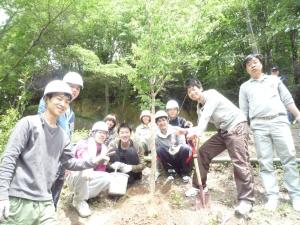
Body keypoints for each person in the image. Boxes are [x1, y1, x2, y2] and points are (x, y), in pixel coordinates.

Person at [0, 80, 108, 225]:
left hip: (45, 201)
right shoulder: (28, 124)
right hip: (20, 199)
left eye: (66, 101)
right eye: (58, 98)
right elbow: (9, 158)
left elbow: (68, 162)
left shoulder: (63, 135)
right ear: (46, 99)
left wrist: (93, 161)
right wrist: (2, 196)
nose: (63, 104)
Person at [180, 78, 255, 216]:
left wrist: (196, 131)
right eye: (189, 91)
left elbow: (205, 119)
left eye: (194, 88)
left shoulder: (212, 95)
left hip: (237, 126)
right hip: (223, 132)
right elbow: (200, 125)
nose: (192, 92)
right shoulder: (199, 108)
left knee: (240, 161)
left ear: (200, 87)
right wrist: (186, 131)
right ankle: (198, 186)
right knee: (203, 152)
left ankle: (246, 200)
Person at [239, 54, 300, 212]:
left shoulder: (274, 80)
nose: (252, 65)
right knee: (265, 162)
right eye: (249, 64)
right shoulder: (245, 87)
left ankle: (296, 195)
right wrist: (244, 130)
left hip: (279, 121)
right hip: (258, 125)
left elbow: (287, 99)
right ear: (246, 69)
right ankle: (272, 196)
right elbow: (243, 111)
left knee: (289, 158)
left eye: (255, 62)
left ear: (261, 64)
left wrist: (298, 115)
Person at [37, 71, 84, 209]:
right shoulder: (49, 102)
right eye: (71, 86)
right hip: (48, 156)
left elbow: (68, 135)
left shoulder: (71, 113)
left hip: (61, 158)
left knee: (54, 196)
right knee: (42, 197)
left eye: (78, 88)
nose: (74, 90)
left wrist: (68, 159)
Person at [66, 121, 111, 218]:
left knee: (107, 178)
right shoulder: (84, 143)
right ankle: (78, 201)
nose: (102, 135)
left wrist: (103, 162)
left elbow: (100, 171)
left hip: (88, 178)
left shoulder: (104, 148)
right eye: (100, 132)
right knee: (83, 170)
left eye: (105, 133)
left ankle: (81, 196)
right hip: (74, 176)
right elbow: (83, 157)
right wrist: (88, 169)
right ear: (93, 133)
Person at [155, 110, 192, 183]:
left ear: (167, 121)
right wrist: (157, 170)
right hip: (168, 158)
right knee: (159, 149)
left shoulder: (176, 129)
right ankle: (171, 172)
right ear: (157, 123)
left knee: (185, 148)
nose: (162, 123)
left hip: (179, 156)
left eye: (163, 120)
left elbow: (183, 144)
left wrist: (176, 148)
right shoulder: (156, 136)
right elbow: (157, 154)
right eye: (159, 121)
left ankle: (184, 173)